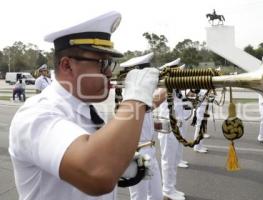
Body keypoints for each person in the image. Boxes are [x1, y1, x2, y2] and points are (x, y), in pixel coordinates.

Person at [9, 11, 159, 200]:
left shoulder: (84, 109)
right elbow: (97, 173)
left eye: (109, 64)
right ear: (67, 66)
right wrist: (136, 98)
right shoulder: (37, 114)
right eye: (102, 62)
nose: (109, 73)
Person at [120, 52, 165, 200]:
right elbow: (156, 101)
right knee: (139, 196)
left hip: (149, 149)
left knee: (157, 195)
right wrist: (168, 87)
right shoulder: (131, 95)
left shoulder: (141, 94)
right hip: (138, 153)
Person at [157, 58, 186, 200]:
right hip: (168, 126)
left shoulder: (173, 86)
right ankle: (167, 189)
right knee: (168, 159)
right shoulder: (164, 86)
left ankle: (171, 187)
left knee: (173, 158)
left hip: (175, 124)